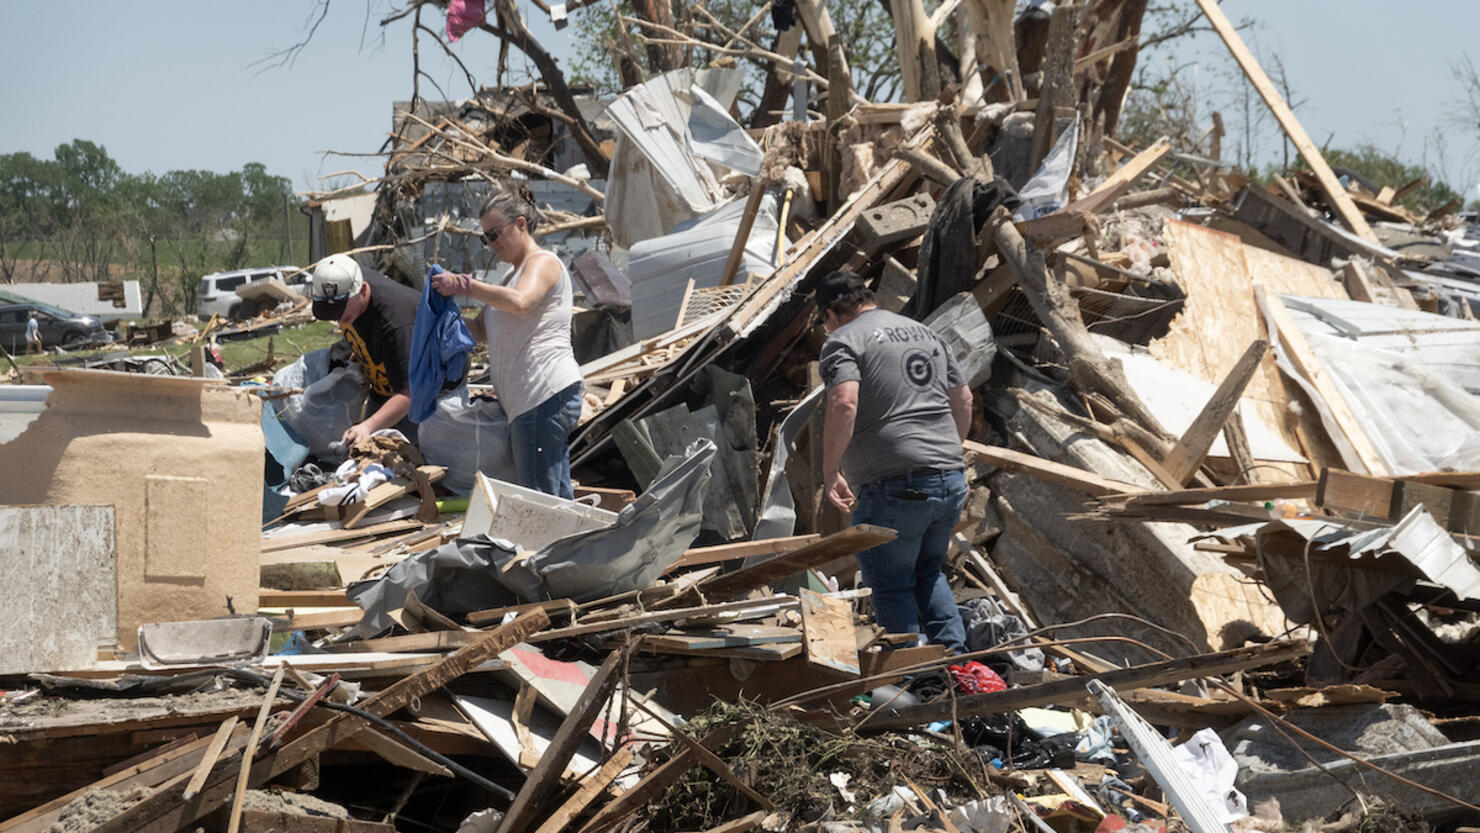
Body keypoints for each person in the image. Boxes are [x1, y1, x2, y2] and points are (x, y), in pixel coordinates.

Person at [817, 270, 973, 654]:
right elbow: (964, 400)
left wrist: (830, 469)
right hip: (950, 479)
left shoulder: (844, 340)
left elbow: (844, 402)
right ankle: (958, 666)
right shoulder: (926, 333)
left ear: (832, 314)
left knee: (891, 584)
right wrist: (945, 455)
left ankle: (910, 679)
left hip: (893, 488)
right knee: (927, 572)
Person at [430, 185, 583, 498]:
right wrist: (439, 314)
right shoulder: (510, 276)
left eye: (495, 234)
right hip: (530, 403)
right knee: (555, 497)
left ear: (521, 225)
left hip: (543, 397)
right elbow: (480, 329)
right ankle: (575, 546)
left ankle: (555, 548)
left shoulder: (542, 262)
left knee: (540, 500)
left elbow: (522, 302)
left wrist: (464, 285)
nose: (491, 244)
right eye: (486, 237)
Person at [310, 253, 437, 445]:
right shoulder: (349, 282)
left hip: (424, 402)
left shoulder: (397, 324)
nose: (338, 317)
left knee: (414, 461)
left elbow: (414, 390)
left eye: (341, 308)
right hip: (385, 391)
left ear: (362, 290)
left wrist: (368, 426)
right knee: (364, 454)